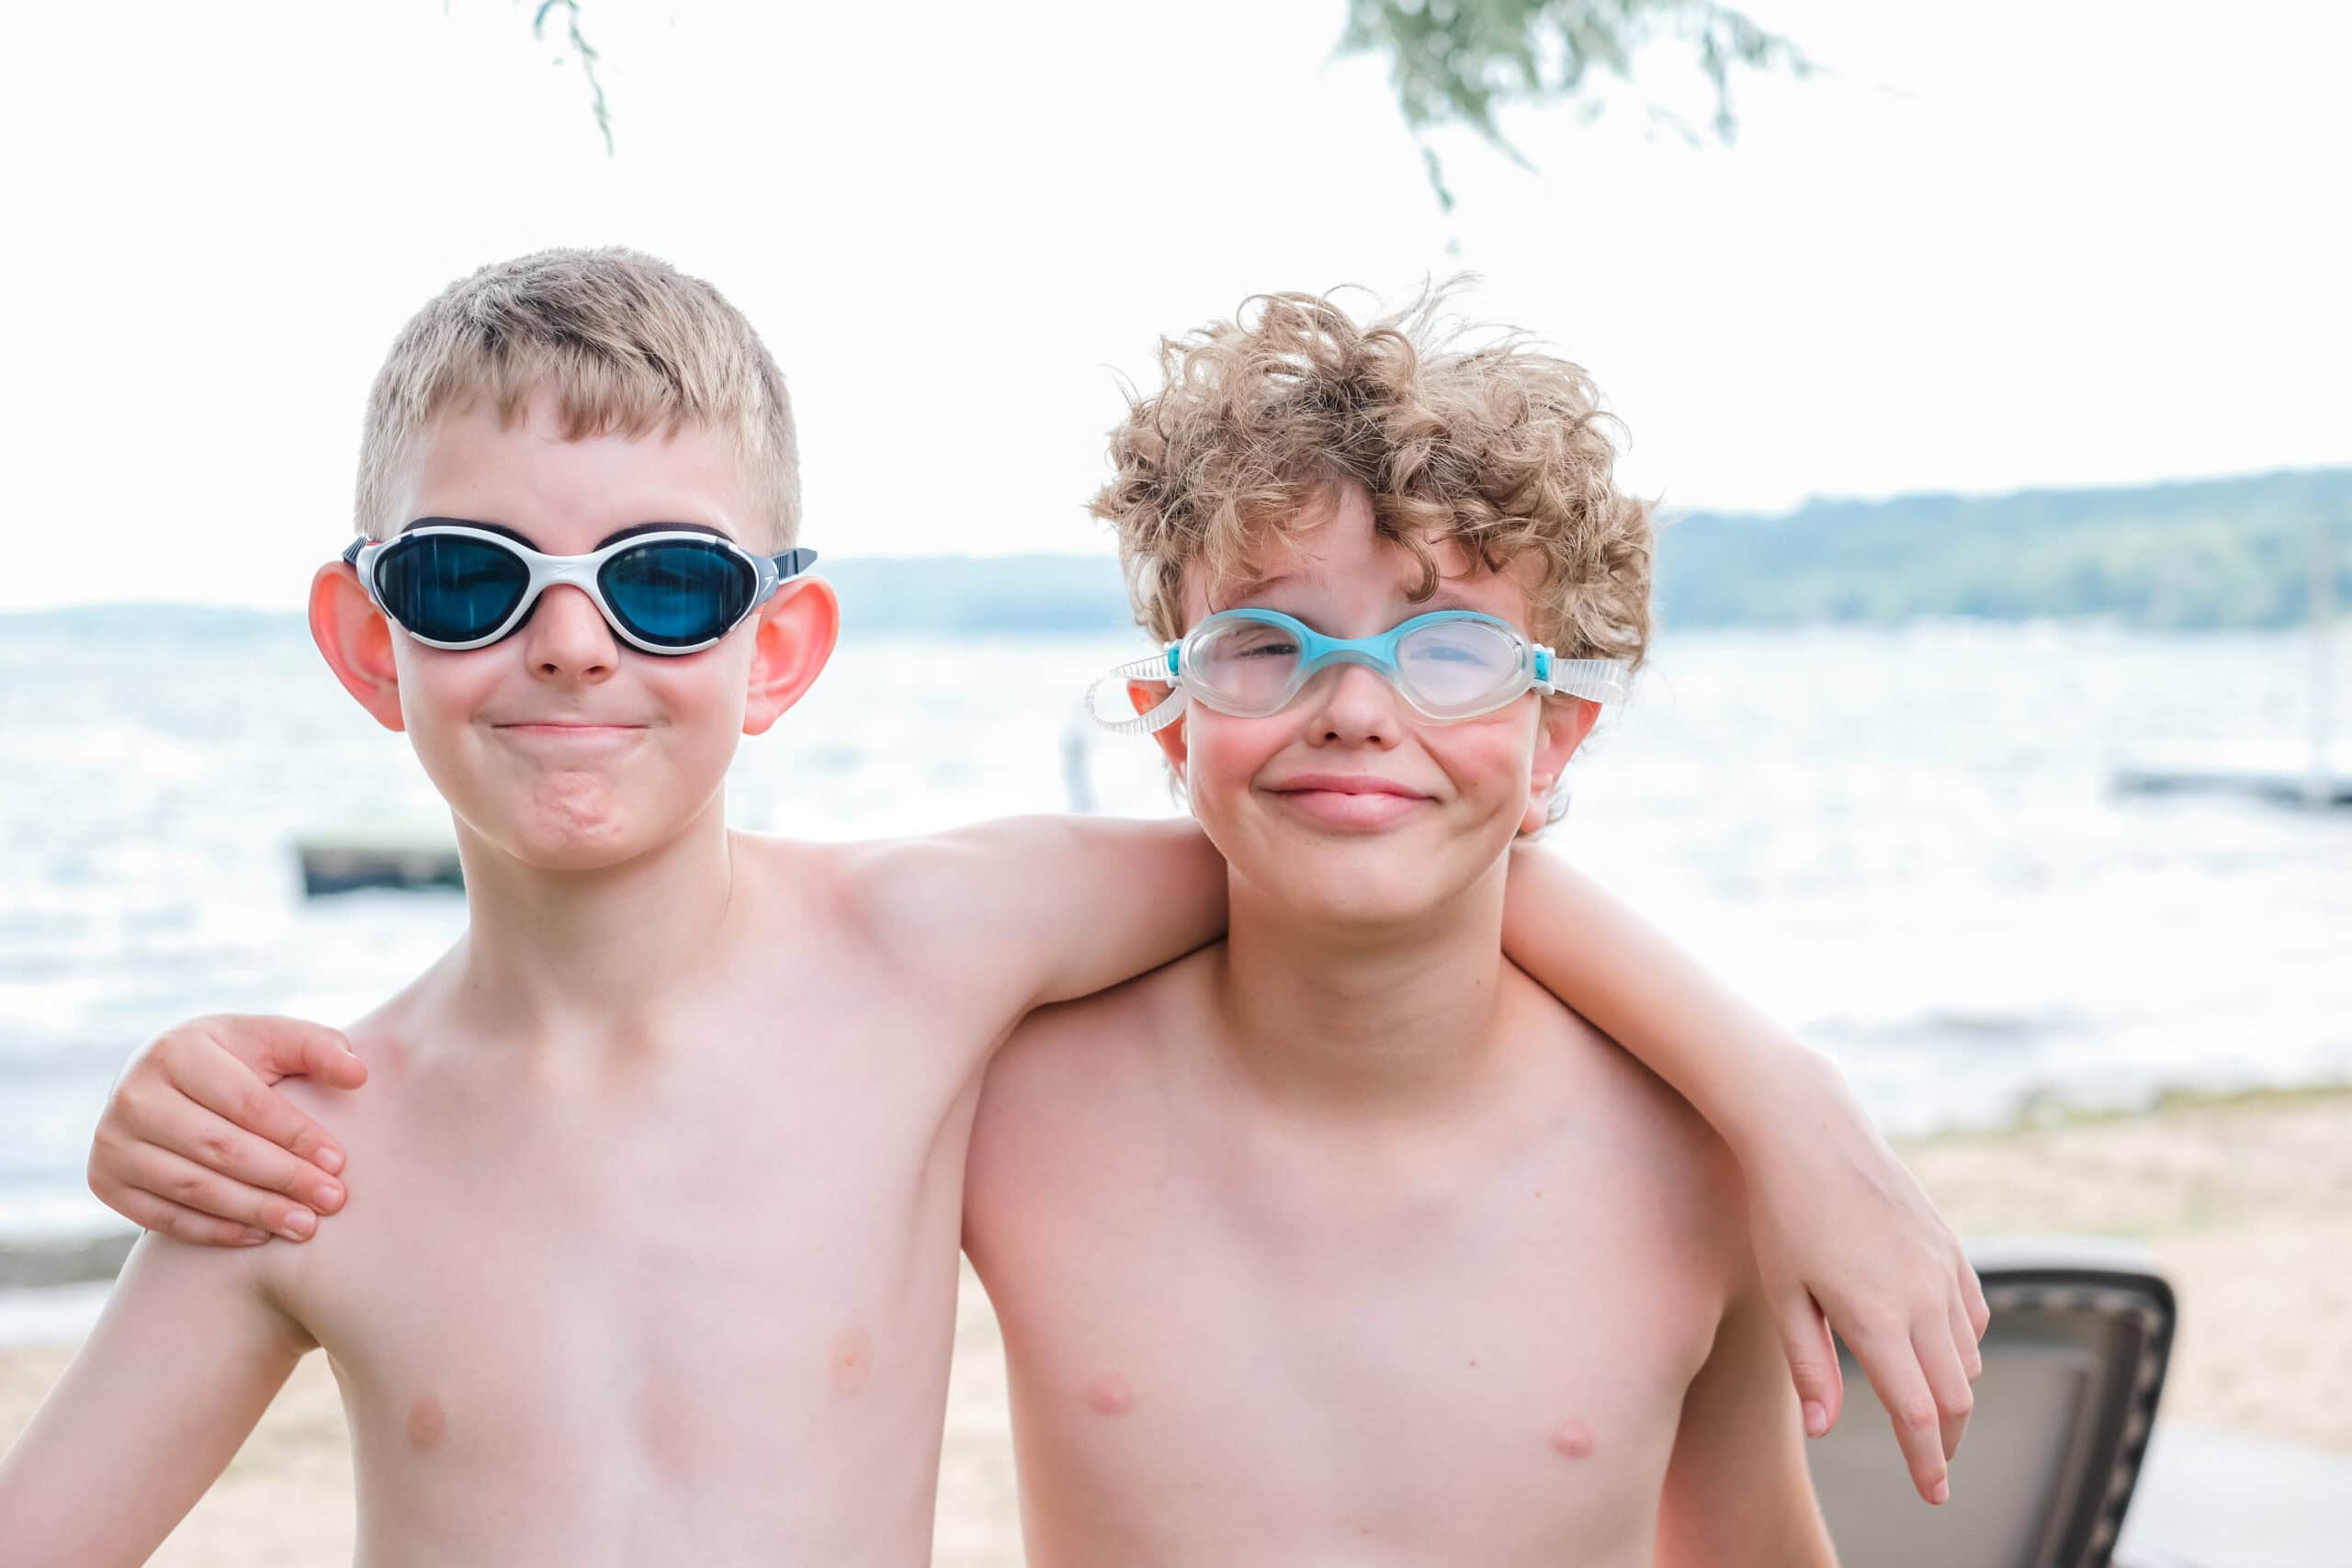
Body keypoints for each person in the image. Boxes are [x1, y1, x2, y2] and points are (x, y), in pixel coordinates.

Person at [8, 252, 1975, 1564]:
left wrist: (1781, 1102)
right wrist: (149, 1090)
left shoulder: (925, 966)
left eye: (670, 584)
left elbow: (1358, 853)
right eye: (467, 579)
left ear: (778, 646)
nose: (570, 641)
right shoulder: (299, 1145)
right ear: (369, 641)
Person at [966, 288, 1850, 1563]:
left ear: (1556, 735)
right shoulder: (1018, 1107)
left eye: (1449, 651)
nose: (1356, 709)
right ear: (1174, 716)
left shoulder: (1703, 1163)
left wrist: (1786, 1106)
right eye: (1268, 646)